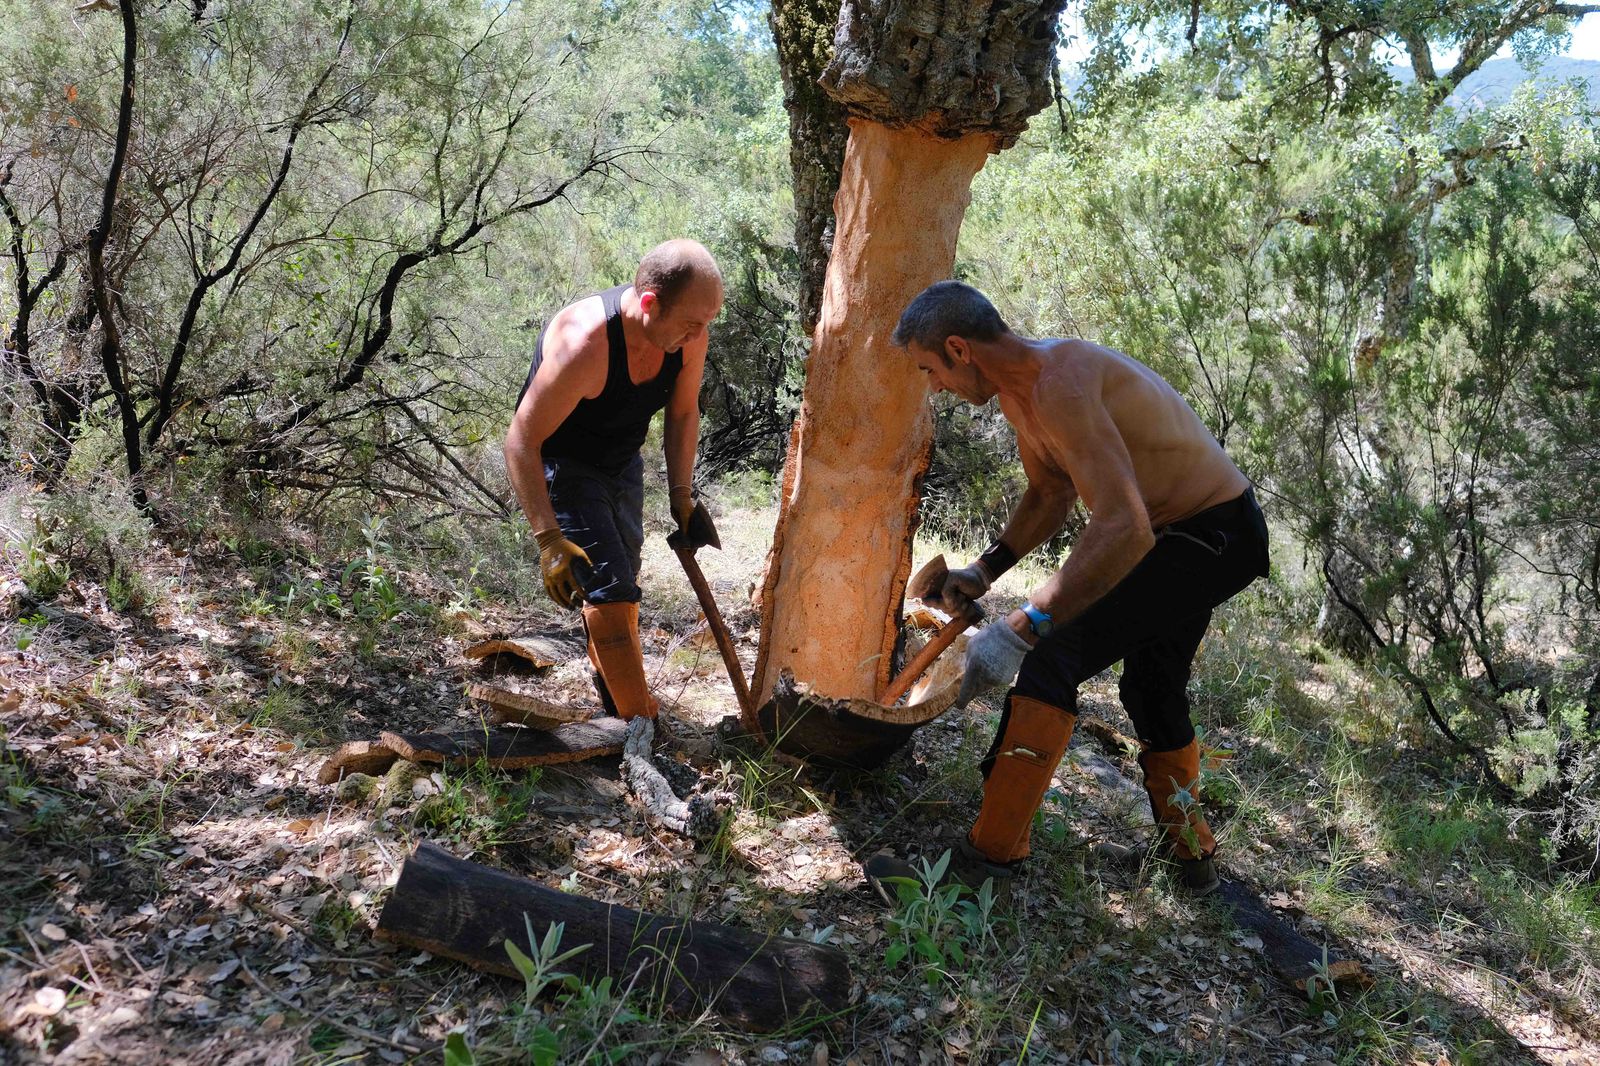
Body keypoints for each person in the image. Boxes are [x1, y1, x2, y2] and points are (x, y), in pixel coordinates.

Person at [867, 281, 1269, 899]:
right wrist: (987, 568)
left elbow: (1124, 526)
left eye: (930, 370)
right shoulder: (1018, 392)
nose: (934, 387)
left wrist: (1024, 624)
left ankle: (984, 870)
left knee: (1054, 653)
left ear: (958, 348)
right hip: (1184, 533)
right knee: (1151, 685)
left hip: (1213, 534)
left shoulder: (1062, 381)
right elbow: (1050, 492)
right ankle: (1192, 858)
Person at [504, 239, 723, 721]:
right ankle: (638, 725)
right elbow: (521, 441)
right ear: (649, 304)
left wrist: (682, 497)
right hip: (564, 462)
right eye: (691, 323)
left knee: (623, 580)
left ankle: (615, 695)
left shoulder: (688, 334)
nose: (700, 335)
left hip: (621, 462)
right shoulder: (586, 344)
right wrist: (549, 539)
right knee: (610, 587)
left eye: (707, 322)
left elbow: (684, 413)